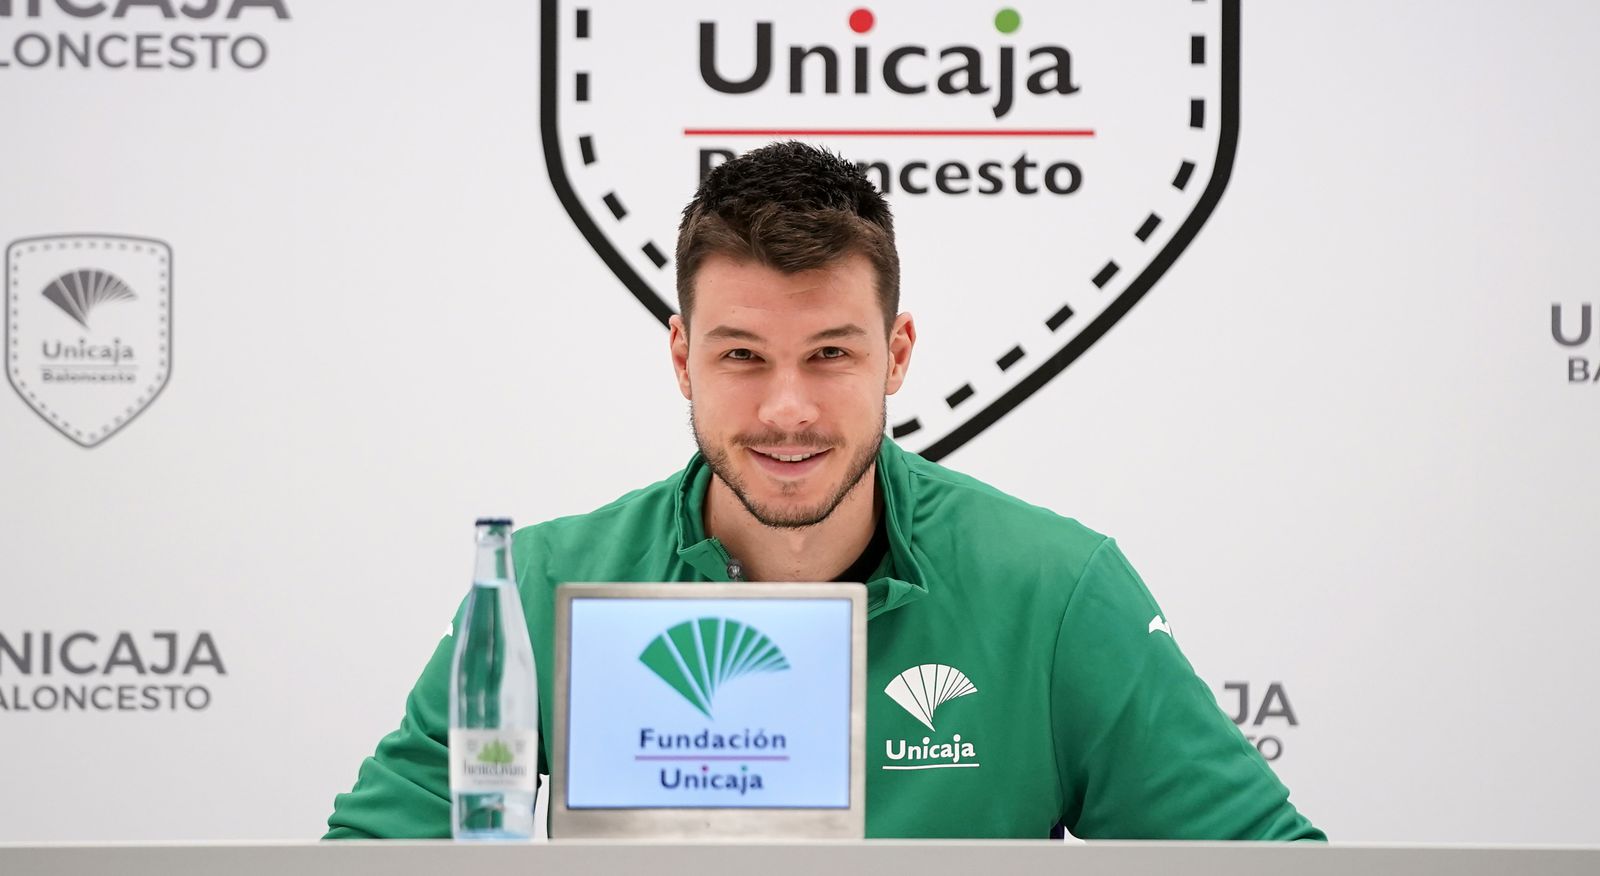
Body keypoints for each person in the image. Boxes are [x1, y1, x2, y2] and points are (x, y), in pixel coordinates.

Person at [325, 141, 1323, 840]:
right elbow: (377, 856)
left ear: (896, 354)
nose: (788, 408)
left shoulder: (1055, 590)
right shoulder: (543, 584)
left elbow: (1258, 859)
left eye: (831, 353)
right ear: (683, 358)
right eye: (744, 355)